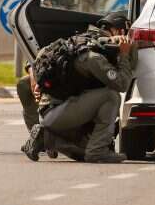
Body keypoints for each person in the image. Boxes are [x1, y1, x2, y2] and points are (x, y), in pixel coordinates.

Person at [22, 12, 138, 164]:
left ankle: (47, 138)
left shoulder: (79, 41)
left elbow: (42, 54)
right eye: (126, 36)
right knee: (111, 96)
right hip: (58, 114)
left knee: (82, 153)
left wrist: (34, 77)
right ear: (119, 32)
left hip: (53, 112)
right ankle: (95, 150)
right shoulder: (94, 56)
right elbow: (121, 84)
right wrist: (124, 54)